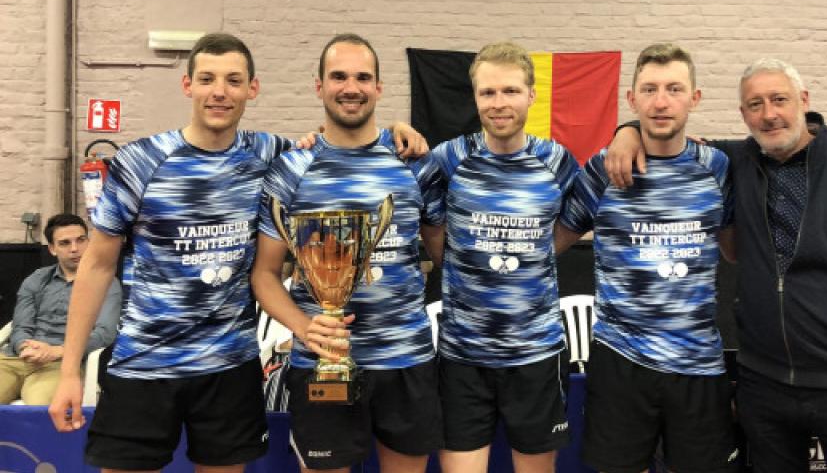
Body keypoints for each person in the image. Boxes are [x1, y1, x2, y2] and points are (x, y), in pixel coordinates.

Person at [48, 32, 427, 472]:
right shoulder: (140, 161)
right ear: (188, 85)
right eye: (207, 79)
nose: (220, 92)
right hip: (145, 364)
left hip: (230, 365)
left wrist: (395, 130)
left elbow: (342, 137)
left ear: (252, 88)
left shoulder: (271, 155)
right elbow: (96, 266)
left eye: (233, 80)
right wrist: (70, 370)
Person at [605, 57, 827, 472]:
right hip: (764, 386)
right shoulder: (731, 162)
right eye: (755, 104)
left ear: (804, 100)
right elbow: (666, 130)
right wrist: (626, 133)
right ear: (743, 114)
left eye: (779, 99)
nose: (769, 114)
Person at [251, 33, 441, 473]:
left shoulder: (415, 163)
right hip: (322, 358)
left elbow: (445, 254)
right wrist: (304, 327)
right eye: (338, 77)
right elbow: (264, 273)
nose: (350, 87)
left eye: (362, 77)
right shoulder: (292, 167)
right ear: (319, 86)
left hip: (405, 358)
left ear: (379, 87)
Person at [555, 43, 738, 473]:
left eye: (674, 89)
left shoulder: (717, 167)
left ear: (695, 98)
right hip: (621, 360)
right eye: (650, 89)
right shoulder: (603, 169)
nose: (661, 102)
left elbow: (734, 250)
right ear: (632, 99)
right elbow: (552, 244)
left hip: (697, 362)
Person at [419, 41, 579, 473]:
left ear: (531, 95)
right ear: (474, 98)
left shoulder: (556, 162)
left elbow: (572, 224)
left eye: (510, 91)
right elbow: (432, 229)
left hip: (536, 355)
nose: (499, 103)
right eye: (487, 92)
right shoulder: (449, 158)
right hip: (463, 357)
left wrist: (531, 252)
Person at [0, 214, 120, 405]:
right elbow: (20, 326)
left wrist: (57, 351)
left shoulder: (107, 284)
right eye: (65, 243)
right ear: (52, 249)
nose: (74, 249)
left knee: (41, 406)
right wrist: (25, 348)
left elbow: (105, 333)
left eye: (81, 240)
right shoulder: (37, 279)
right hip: (15, 359)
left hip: (62, 363)